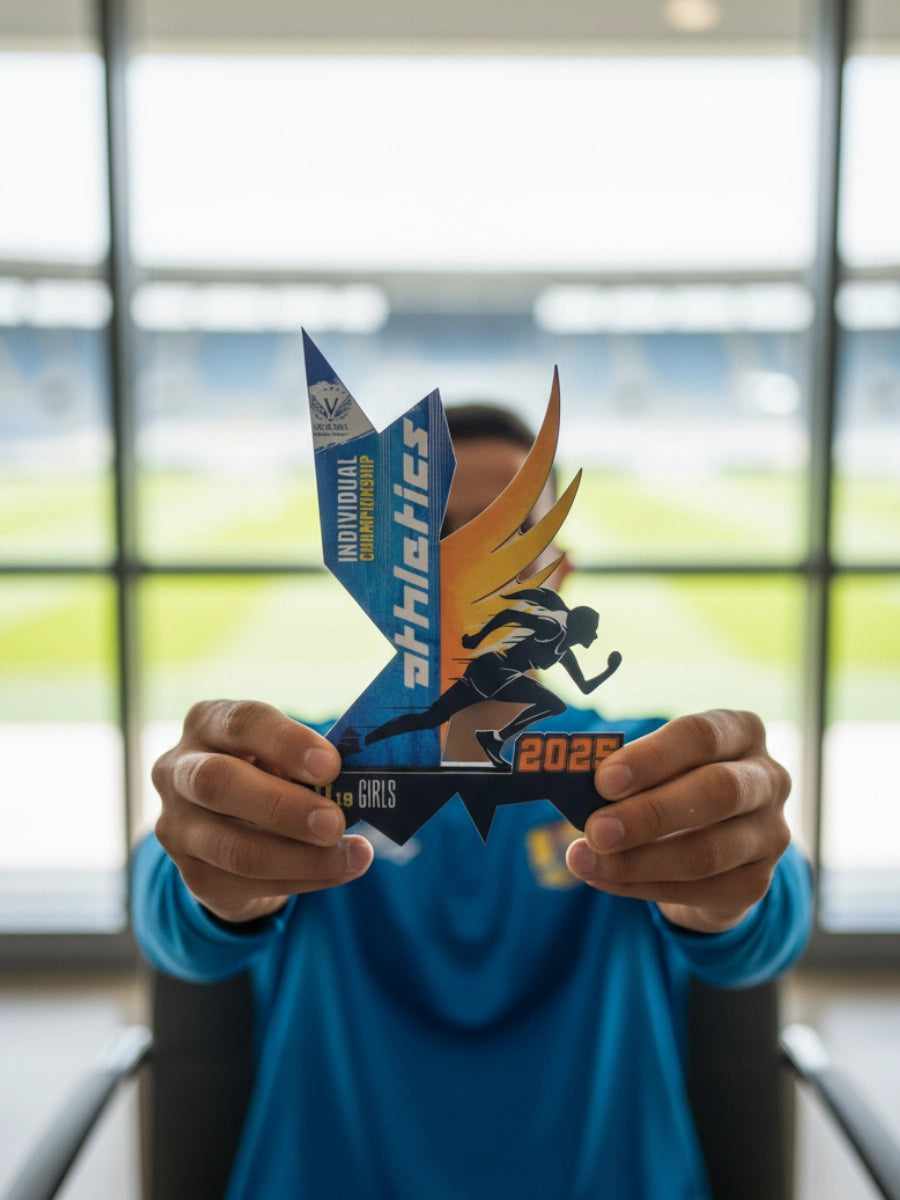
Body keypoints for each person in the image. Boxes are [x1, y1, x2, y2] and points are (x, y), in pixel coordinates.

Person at [133, 402, 812, 1200]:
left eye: (508, 531)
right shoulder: (284, 767)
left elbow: (770, 912)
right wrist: (217, 879)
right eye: (439, 534)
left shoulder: (647, 764)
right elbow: (171, 909)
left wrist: (730, 891)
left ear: (553, 569)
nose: (471, 565)